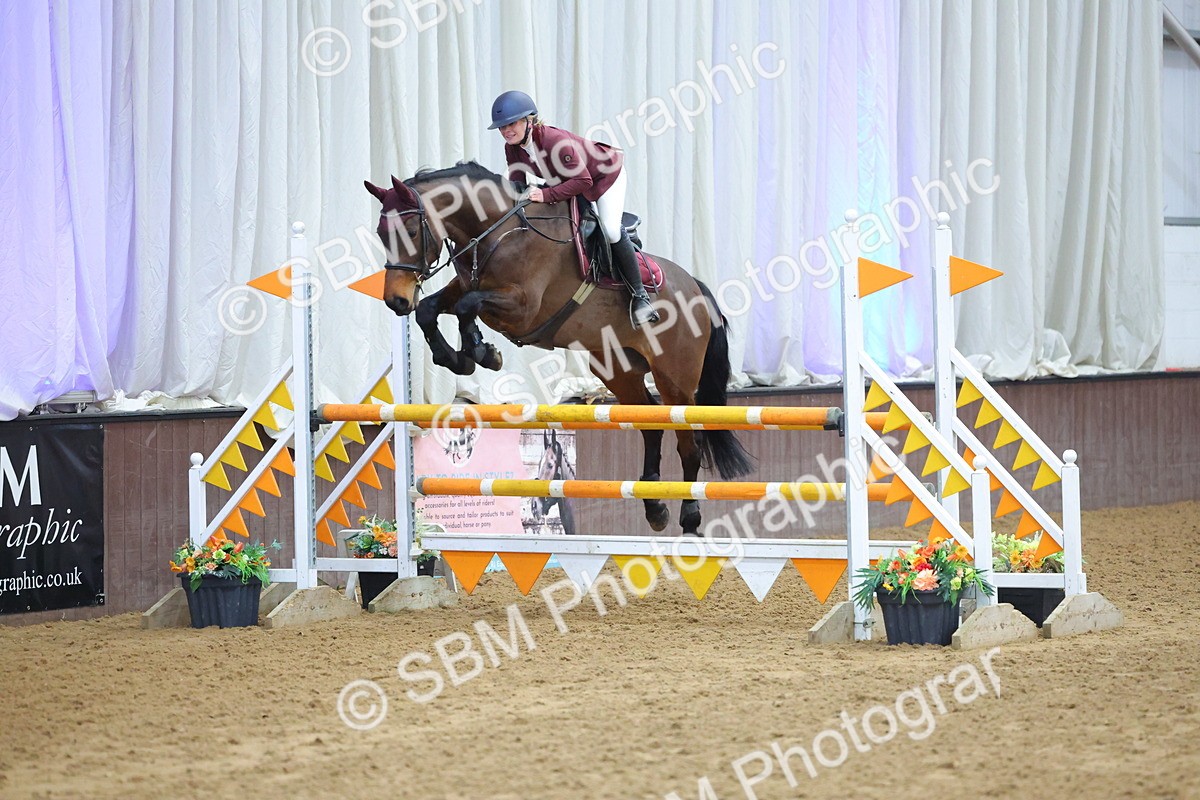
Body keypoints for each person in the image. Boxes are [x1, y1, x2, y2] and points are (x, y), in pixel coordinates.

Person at [488, 90, 659, 327]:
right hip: (568, 180)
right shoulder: (513, 148)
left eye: (512, 123)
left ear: (529, 120)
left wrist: (545, 194)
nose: (506, 131)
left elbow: (584, 181)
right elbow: (517, 183)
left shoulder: (553, 140)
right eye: (501, 127)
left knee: (609, 230)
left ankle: (640, 297)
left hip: (604, 175)